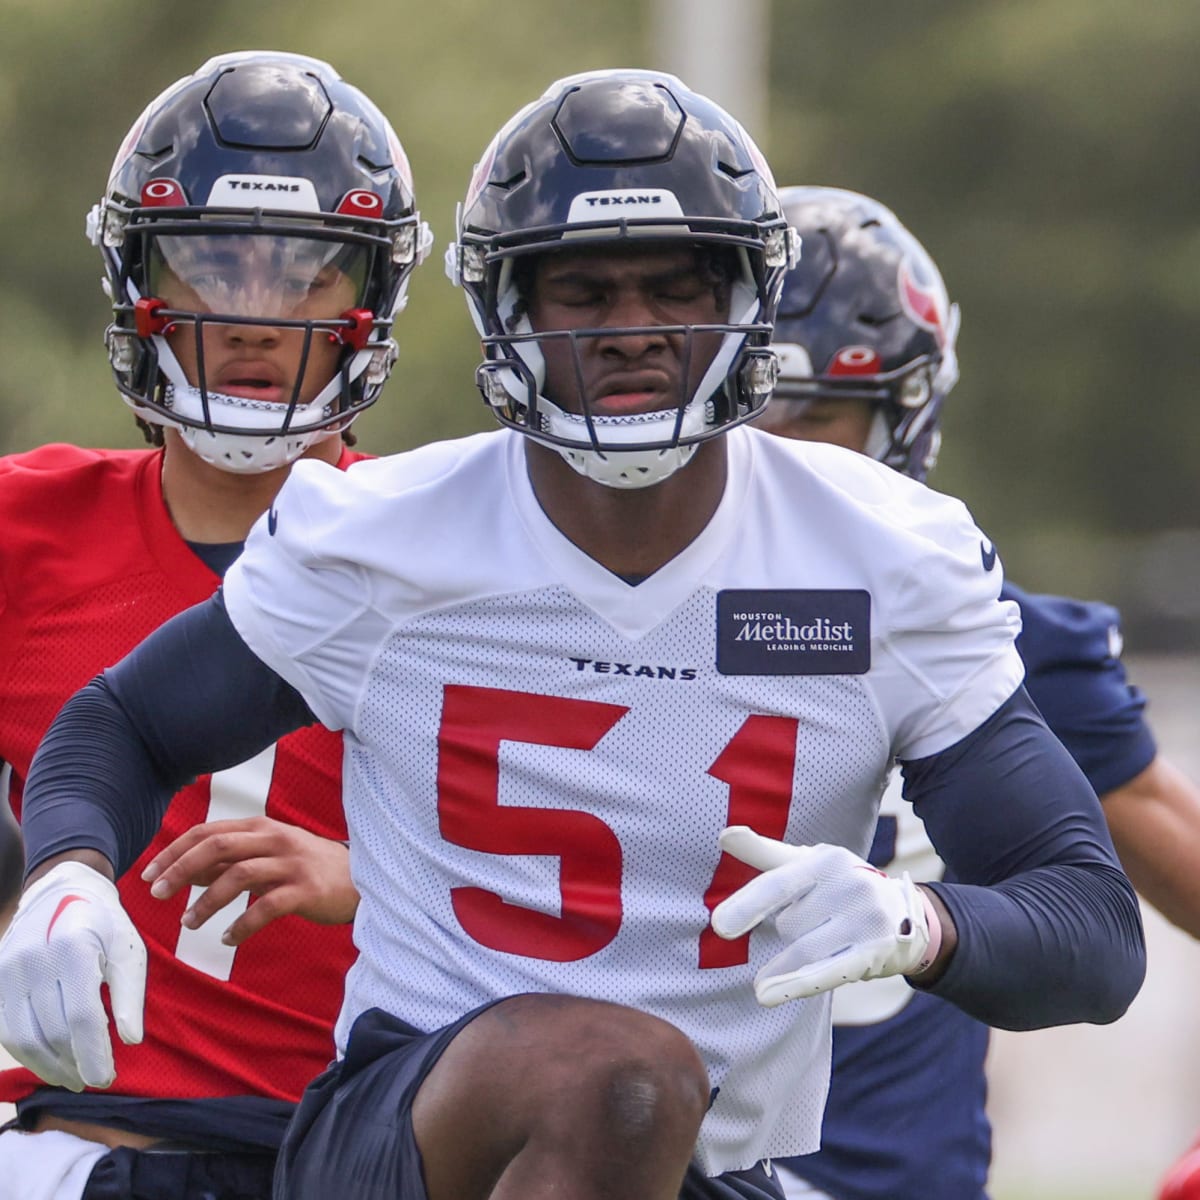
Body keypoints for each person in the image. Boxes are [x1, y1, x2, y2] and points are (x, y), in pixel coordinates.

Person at [0, 70, 1146, 1200]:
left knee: (640, 1095)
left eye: (674, 289)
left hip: (708, 1162)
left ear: (749, 304)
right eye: (583, 294)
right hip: (406, 1133)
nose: (632, 333)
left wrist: (924, 920)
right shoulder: (389, 540)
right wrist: (69, 869)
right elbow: (128, 721)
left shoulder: (878, 561)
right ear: (509, 312)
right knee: (619, 1075)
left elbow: (1091, 930)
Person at [0, 50, 428, 1200]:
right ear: (138, 279)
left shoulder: (455, 551)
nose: (253, 311)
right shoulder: (24, 526)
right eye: (210, 261)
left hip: (374, 1145)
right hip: (85, 1140)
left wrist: (377, 877)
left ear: (367, 302)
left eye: (306, 272)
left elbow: (570, 885)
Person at [752, 185, 1200, 1200]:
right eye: (748, 416)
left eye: (812, 415)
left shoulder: (984, 639)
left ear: (901, 416)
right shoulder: (580, 622)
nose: (771, 460)